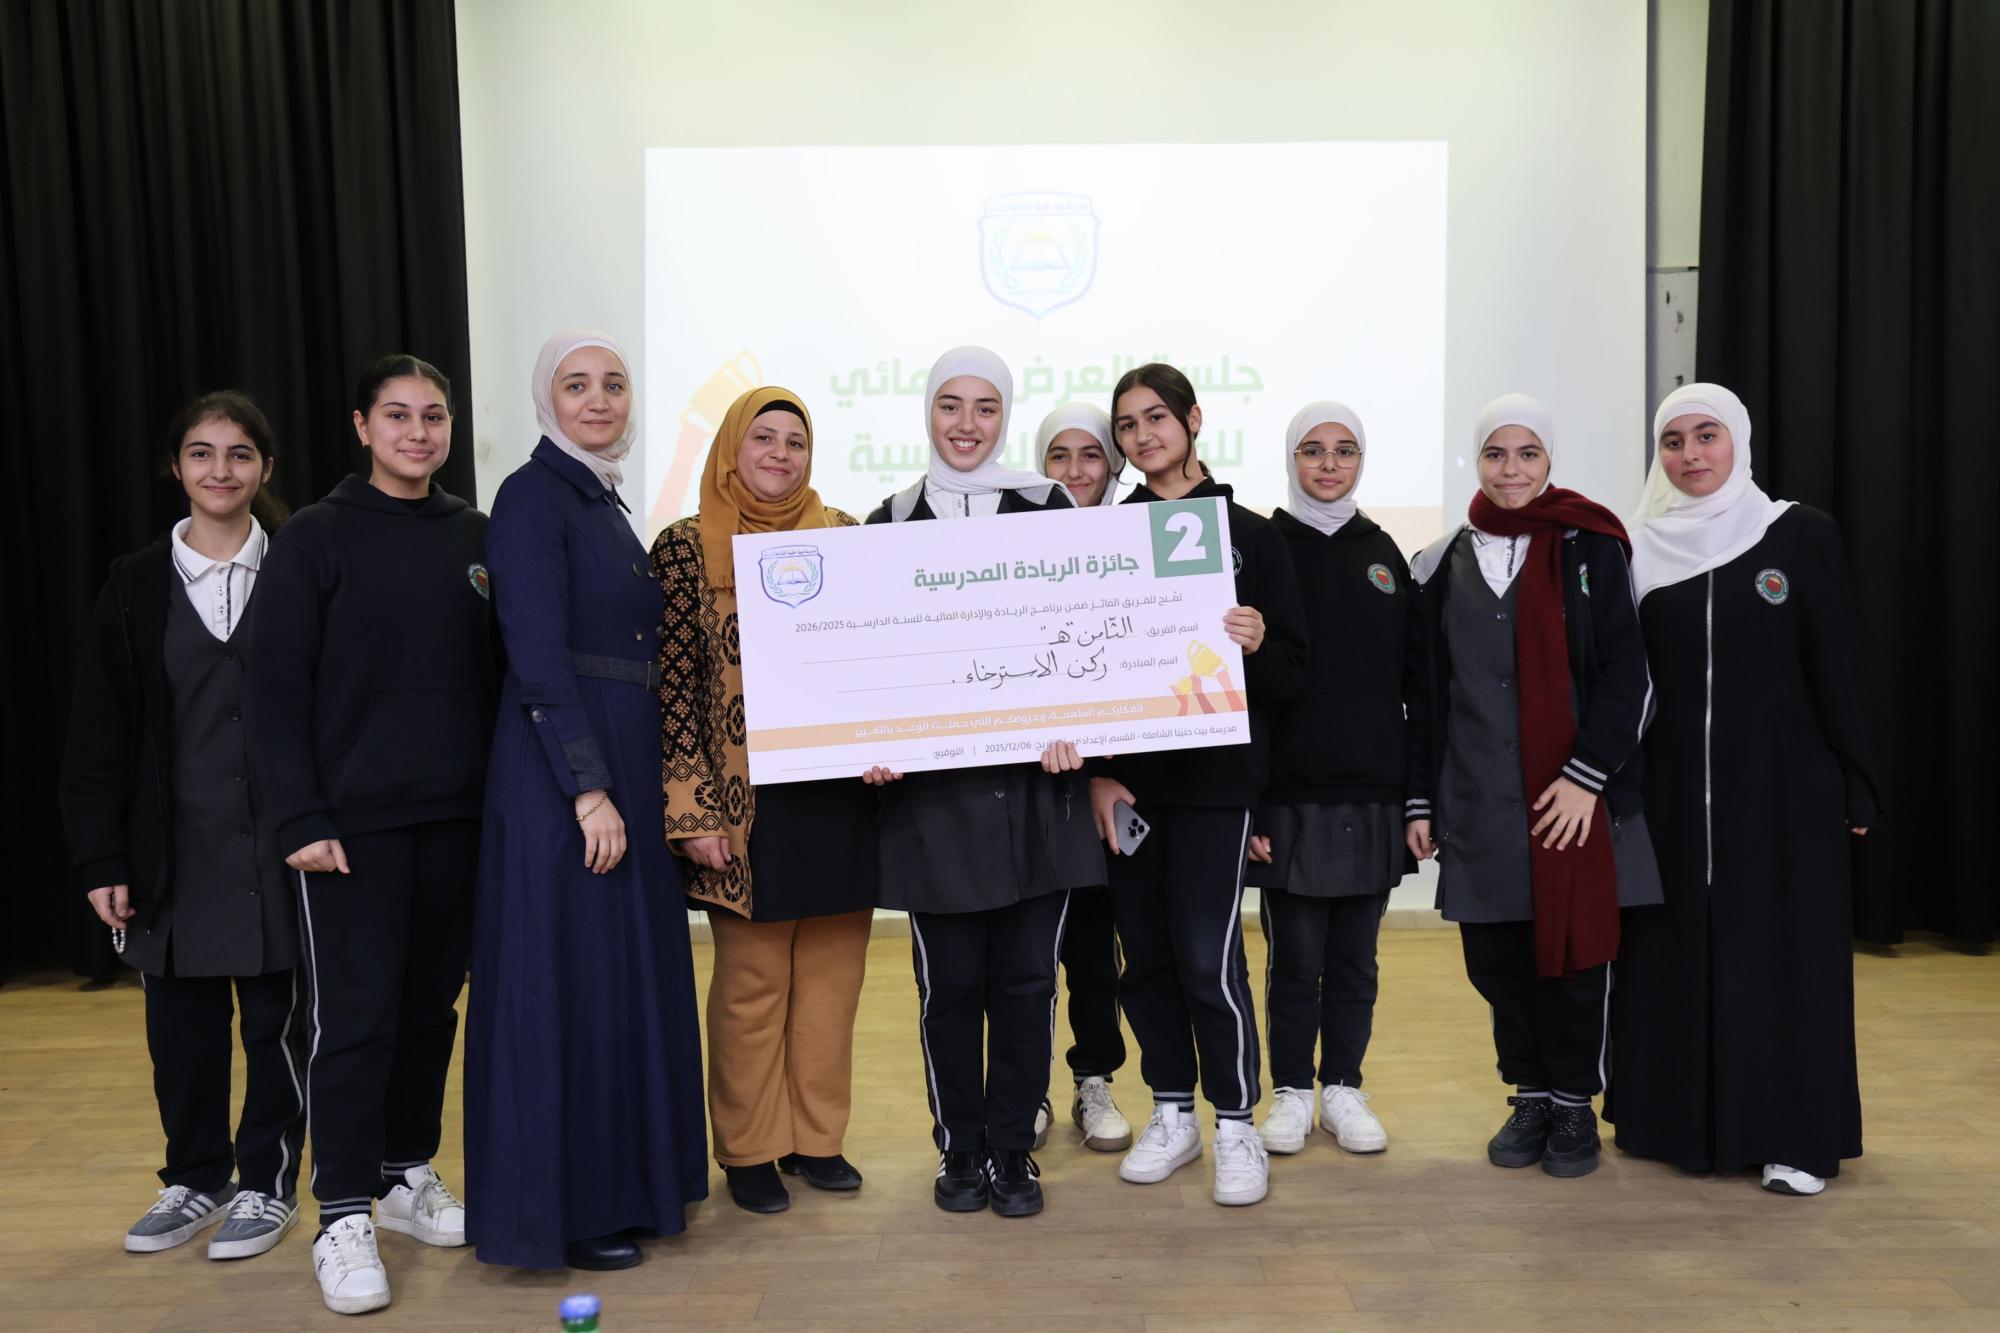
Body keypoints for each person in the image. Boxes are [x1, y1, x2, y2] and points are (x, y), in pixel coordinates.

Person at [249, 355, 499, 1315]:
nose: (417, 432)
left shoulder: (474, 534)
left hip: (456, 820)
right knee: (353, 1020)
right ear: (362, 426)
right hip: (349, 832)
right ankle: (343, 1211)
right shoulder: (313, 538)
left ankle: (403, 1173)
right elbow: (273, 691)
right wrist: (301, 818)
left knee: (430, 1010)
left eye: (433, 416)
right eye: (397, 415)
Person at [464, 332, 708, 1271]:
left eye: (614, 383)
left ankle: (628, 1188)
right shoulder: (532, 494)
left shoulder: (598, 499)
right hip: (566, 776)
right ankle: (569, 1211)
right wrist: (588, 785)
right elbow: (534, 654)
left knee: (618, 981)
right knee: (571, 985)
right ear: (547, 399)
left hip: (619, 761)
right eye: (577, 384)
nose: (599, 399)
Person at [1606, 383, 1880, 1197]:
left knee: (1784, 960)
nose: (1690, 454)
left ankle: (1794, 1137)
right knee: (1673, 953)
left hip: (1786, 794)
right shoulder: (1635, 547)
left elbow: (1837, 663)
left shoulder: (1797, 533)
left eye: (1707, 435)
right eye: (1674, 440)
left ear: (1739, 441)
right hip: (1670, 798)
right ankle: (1673, 1122)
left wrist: (1858, 780)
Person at [59, 391, 306, 1261]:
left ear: (265, 467)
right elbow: (98, 733)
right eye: (202, 453)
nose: (220, 470)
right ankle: (196, 1178)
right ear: (176, 466)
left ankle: (268, 1183)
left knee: (276, 1026)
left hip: (283, 844)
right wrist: (102, 857)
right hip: (172, 848)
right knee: (182, 1035)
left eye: (239, 454)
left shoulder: (301, 567)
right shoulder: (134, 582)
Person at [865, 345, 1104, 1218]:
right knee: (951, 988)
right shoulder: (887, 522)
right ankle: (959, 1146)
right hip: (935, 806)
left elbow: (1090, 631)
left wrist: (1080, 725)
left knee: (1029, 984)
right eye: (951, 405)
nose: (967, 425)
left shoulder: (1048, 507)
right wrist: (870, 739)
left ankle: (1013, 1149)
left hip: (1039, 797)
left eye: (986, 408)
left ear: (1006, 416)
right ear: (928, 411)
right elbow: (869, 657)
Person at [1408, 393, 1660, 1181]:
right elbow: (1424, 697)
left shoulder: (1593, 545)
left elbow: (1630, 675)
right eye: (1495, 453)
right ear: (1475, 461)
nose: (1510, 469)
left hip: (1572, 800)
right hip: (1477, 798)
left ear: (1549, 460)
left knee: (1576, 965)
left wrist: (1588, 776)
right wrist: (1421, 799)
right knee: (1496, 963)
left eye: (1527, 454)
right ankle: (1530, 1095)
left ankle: (1574, 1102)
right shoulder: (1438, 562)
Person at [1087, 362, 1309, 1208]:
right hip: (1131, 791)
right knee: (1144, 957)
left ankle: (1237, 1122)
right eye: (1128, 425)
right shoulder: (1105, 537)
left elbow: (1293, 674)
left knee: (1208, 957)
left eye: (1156, 417)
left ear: (1193, 420)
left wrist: (1257, 643)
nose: (1143, 436)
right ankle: (1173, 1110)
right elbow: (1084, 668)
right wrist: (1099, 775)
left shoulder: (1252, 535)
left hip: (1216, 786)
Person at [653, 385, 877, 1215]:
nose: (781, 454)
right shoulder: (684, 547)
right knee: (751, 988)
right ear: (731, 448)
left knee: (832, 981)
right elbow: (673, 687)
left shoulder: (845, 535)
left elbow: (876, 657)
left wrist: (890, 741)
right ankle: (748, 1148)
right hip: (741, 807)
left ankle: (817, 1139)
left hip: (838, 797)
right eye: (764, 438)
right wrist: (692, 808)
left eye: (796, 441)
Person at [1249, 401, 1429, 1158]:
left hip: (1373, 792)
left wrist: (1416, 798)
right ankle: (1292, 1091)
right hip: (1288, 796)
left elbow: (1417, 685)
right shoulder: (1264, 548)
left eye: (1345, 450)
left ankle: (1344, 1087)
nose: (1329, 464)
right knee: (1294, 960)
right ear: (1291, 458)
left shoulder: (1384, 554)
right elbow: (1247, 691)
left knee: (1356, 957)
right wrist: (1253, 803)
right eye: (1313, 450)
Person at [1033, 401, 1133, 1153]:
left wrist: (1103, 771)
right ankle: (1027, 1086)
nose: (1075, 470)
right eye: (1059, 455)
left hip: (1111, 789)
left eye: (1090, 454)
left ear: (1114, 464)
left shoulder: (1138, 545)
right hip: (1029, 788)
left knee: (1097, 951)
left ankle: (1093, 1079)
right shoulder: (1009, 543)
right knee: (1029, 952)